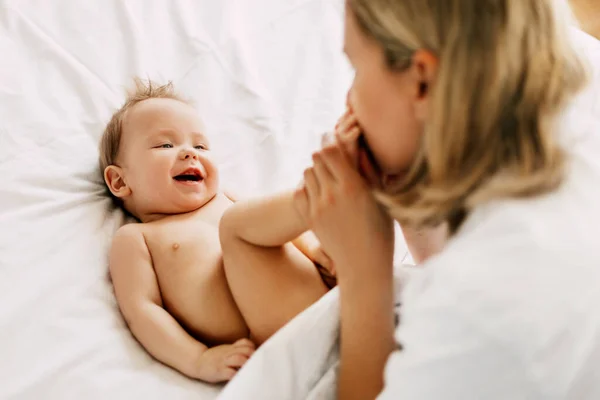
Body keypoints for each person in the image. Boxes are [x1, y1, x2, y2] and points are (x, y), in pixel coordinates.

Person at [294, 0, 600, 398]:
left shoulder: (483, 303)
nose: (350, 99)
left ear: (422, 81)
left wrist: (365, 273)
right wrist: (406, 189)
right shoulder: (560, 100)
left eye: (356, 68)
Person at [99, 79, 335, 383]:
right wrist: (197, 359)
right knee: (237, 225)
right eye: (165, 145)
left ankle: (324, 220)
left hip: (318, 293)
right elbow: (143, 312)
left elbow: (281, 232)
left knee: (245, 221)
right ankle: (317, 197)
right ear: (119, 182)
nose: (190, 153)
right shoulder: (137, 238)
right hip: (275, 334)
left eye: (200, 145)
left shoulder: (226, 199)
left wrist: (317, 253)